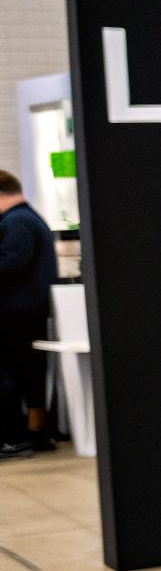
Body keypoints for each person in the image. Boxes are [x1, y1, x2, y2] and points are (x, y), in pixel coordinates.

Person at [0, 169, 57, 461]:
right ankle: (35, 434)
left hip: (15, 313)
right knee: (29, 374)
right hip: (28, 311)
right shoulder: (28, 218)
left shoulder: (17, 221)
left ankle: (13, 438)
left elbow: (11, 263)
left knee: (8, 375)